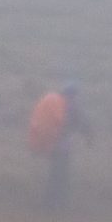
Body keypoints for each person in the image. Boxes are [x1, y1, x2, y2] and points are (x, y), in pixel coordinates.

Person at [28, 81, 94, 210]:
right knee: (62, 175)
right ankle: (61, 204)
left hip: (51, 145)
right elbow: (83, 124)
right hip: (62, 147)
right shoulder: (71, 106)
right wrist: (89, 138)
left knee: (54, 174)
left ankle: (49, 203)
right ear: (74, 95)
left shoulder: (56, 103)